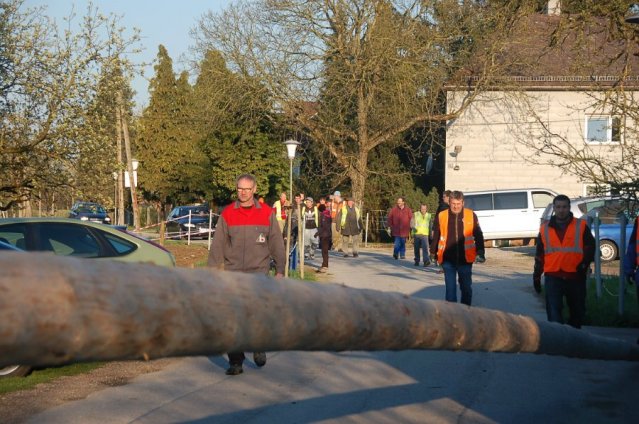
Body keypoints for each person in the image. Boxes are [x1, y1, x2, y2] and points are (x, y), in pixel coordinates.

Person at [208, 174, 286, 376]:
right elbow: (218, 245)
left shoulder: (267, 213)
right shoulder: (227, 214)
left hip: (258, 273)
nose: (243, 192)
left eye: (247, 189)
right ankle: (236, 362)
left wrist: (280, 269)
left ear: (254, 190)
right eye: (240, 189)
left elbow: (276, 243)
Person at [533, 194, 595, 329]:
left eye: (564, 207)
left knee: (577, 314)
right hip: (553, 276)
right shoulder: (544, 228)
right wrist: (536, 276)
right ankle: (558, 339)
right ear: (554, 208)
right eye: (558, 207)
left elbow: (590, 247)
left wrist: (584, 264)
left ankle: (574, 339)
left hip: (576, 275)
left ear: (569, 208)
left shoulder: (580, 225)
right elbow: (539, 255)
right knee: (554, 315)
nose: (561, 210)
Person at [430, 190, 485, 306]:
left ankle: (465, 312)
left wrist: (480, 251)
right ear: (449, 202)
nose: (456, 206)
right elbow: (436, 236)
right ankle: (453, 315)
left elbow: (478, 234)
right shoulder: (441, 216)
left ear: (463, 203)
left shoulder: (471, 215)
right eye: (453, 204)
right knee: (450, 292)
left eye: (458, 204)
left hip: (465, 260)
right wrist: (433, 252)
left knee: (466, 289)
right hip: (447, 259)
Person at [316, 203, 332, 272]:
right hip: (328, 234)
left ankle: (325, 266)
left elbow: (323, 226)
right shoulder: (328, 214)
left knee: (324, 251)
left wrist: (317, 233)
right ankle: (324, 264)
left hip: (324, 235)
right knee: (325, 251)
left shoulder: (323, 215)